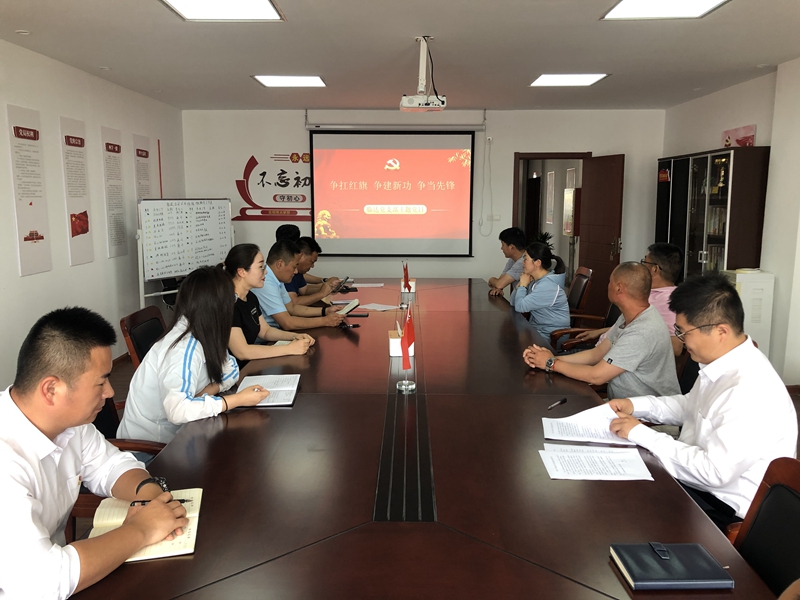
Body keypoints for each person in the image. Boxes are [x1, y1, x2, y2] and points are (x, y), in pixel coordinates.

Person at [0, 307, 189, 598]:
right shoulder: (6, 460)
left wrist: (151, 498)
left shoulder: (71, 424)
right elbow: (43, 581)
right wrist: (141, 530)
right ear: (51, 390)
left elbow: (110, 465)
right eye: (101, 382)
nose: (110, 392)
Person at [608, 274, 797, 529]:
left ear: (721, 331)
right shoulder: (722, 363)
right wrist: (636, 405)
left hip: (723, 511)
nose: (682, 341)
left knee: (621, 514)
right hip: (694, 484)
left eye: (684, 332)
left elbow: (713, 472)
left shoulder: (751, 389)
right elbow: (691, 405)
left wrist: (641, 433)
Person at [117, 267, 274, 444]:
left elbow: (231, 369)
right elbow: (178, 411)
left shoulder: (207, 332)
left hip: (187, 431)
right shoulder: (184, 348)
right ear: (216, 306)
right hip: (154, 447)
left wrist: (208, 391)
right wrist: (237, 399)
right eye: (232, 299)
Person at [523, 262, 680, 399]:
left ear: (618, 288)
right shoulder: (631, 315)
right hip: (624, 408)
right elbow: (596, 354)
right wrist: (550, 358)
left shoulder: (642, 330)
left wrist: (551, 363)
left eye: (610, 281)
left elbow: (597, 376)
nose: (608, 285)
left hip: (647, 419)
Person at [575, 242, 684, 356]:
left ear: (655, 269)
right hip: (603, 349)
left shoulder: (668, 301)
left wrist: (627, 345)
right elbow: (634, 327)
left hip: (615, 358)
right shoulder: (646, 292)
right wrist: (601, 331)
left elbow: (676, 348)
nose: (642, 266)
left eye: (644, 262)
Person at [221, 244, 315, 366]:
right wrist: (289, 349)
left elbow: (265, 331)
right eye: (261, 267)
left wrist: (295, 336)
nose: (265, 272)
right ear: (242, 272)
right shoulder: (227, 303)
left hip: (249, 365)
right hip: (233, 372)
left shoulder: (250, 297)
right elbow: (242, 351)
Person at [252, 239, 346, 331]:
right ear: (280, 264)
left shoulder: (277, 279)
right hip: (267, 337)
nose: (296, 271)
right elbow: (287, 323)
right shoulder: (265, 282)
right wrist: (325, 321)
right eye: (294, 267)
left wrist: (326, 311)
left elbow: (292, 308)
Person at [509, 242, 570, 340]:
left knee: (511, 341)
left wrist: (523, 286)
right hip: (537, 330)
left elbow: (520, 307)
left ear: (537, 263)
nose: (522, 262)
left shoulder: (548, 285)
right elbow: (513, 302)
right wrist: (520, 285)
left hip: (552, 335)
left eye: (525, 259)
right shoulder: (536, 280)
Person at [285, 237, 341, 306]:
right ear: (301, 256)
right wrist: (321, 294)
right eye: (312, 262)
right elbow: (294, 302)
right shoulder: (287, 272)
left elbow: (304, 290)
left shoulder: (299, 272)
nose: (312, 266)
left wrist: (330, 286)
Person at [488, 227, 526, 296]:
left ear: (511, 247)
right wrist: (498, 288)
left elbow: (499, 284)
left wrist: (491, 279)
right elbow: (501, 281)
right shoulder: (512, 260)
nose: (501, 248)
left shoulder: (523, 262)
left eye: (503, 245)